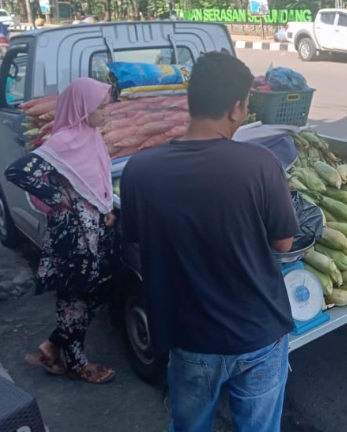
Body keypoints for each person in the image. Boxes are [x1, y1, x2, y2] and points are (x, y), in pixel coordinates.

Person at [119, 51, 299, 432]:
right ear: (237, 108)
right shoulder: (260, 164)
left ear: (191, 100)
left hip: (189, 338)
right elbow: (284, 243)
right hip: (257, 335)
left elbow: (135, 240)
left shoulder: (140, 170)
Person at [5, 78, 118, 384]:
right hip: (74, 235)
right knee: (73, 298)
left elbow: (94, 178)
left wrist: (105, 208)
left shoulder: (89, 136)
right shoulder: (64, 141)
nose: (106, 113)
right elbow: (17, 171)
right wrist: (57, 198)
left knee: (92, 294)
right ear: (83, 108)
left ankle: (52, 346)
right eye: (101, 107)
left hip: (93, 228)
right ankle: (77, 364)